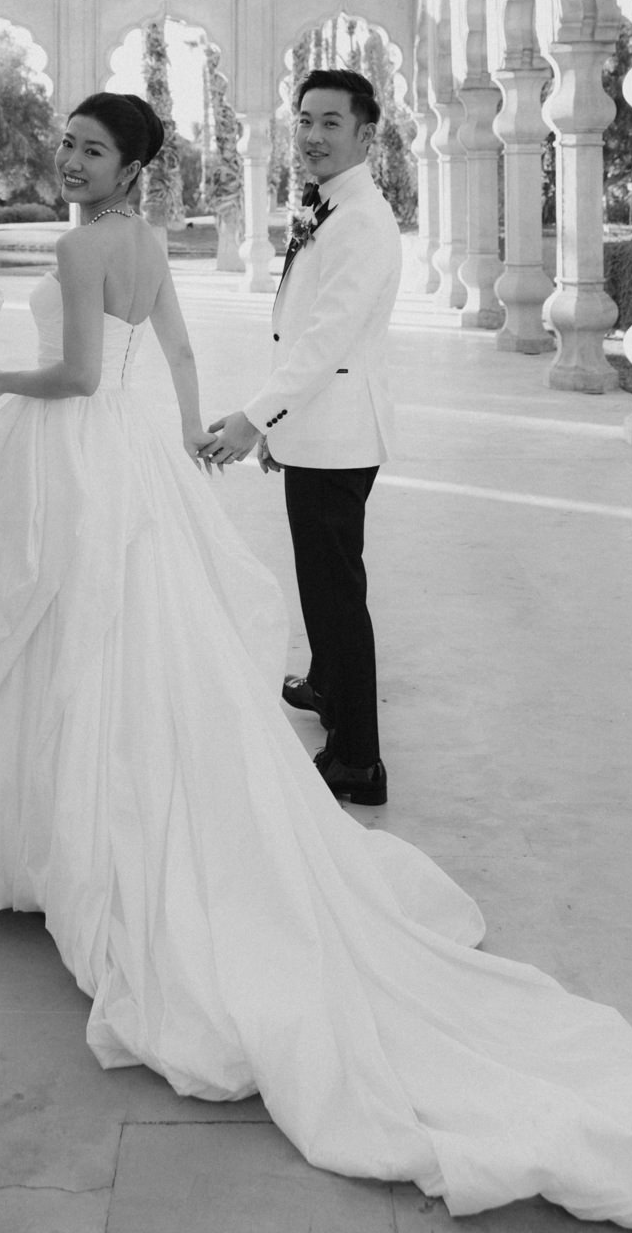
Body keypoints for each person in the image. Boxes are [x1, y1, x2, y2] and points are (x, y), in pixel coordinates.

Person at [0, 90, 632, 1233]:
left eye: (90, 147)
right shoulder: (139, 242)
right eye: (68, 143)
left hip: (98, 453)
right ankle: (108, 814)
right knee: (129, 637)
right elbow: (174, 351)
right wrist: (185, 446)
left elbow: (85, 377)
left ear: (131, 166)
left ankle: (111, 829)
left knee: (86, 637)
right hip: (136, 460)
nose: (69, 159)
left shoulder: (96, 244)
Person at [205, 69, 402, 808]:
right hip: (319, 429)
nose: (314, 136)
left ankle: (357, 760)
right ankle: (327, 687)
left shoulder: (360, 222)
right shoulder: (335, 209)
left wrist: (255, 417)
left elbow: (325, 342)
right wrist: (279, 425)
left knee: (336, 595)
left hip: (337, 436)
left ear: (364, 133)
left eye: (330, 123)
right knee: (324, 582)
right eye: (305, 121)